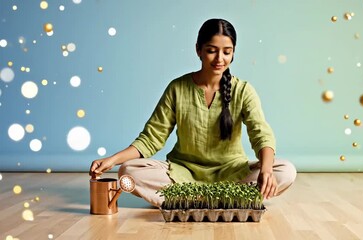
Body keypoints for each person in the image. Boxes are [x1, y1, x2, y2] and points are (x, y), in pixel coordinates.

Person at [89, 18, 297, 207]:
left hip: (232, 172)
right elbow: (151, 138)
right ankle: (222, 198)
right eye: (211, 50)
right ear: (198, 50)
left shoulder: (243, 90)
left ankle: (189, 199)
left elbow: (261, 134)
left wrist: (267, 171)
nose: (219, 59)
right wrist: (113, 160)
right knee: (128, 171)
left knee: (285, 171)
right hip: (182, 172)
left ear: (233, 53)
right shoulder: (177, 88)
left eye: (227, 51)